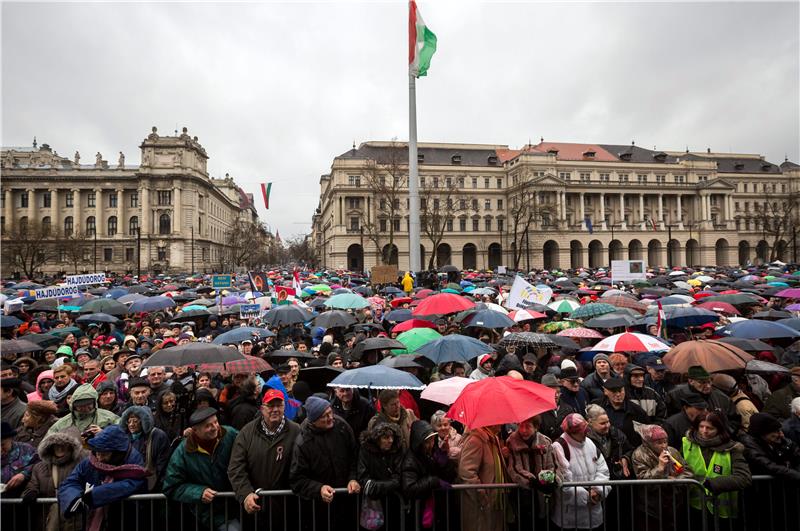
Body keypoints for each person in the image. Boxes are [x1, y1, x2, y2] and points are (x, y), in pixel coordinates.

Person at [228, 388, 301, 524]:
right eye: (270, 406)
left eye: (279, 405)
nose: (275, 409)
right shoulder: (247, 432)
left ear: (284, 407)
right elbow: (236, 468)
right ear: (262, 408)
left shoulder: (296, 431)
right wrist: (246, 494)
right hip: (256, 507)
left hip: (288, 507)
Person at [162, 407, 240, 531]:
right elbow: (171, 486)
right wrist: (198, 492)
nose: (214, 427)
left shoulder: (230, 434)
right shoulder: (183, 452)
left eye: (215, 422)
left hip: (237, 505)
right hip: (205, 513)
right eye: (208, 426)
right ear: (195, 430)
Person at [290, 396, 360, 531]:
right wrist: (319, 488)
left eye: (330, 413)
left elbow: (355, 457)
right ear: (314, 421)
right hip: (318, 509)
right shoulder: (303, 443)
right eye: (324, 416)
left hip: (347, 502)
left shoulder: (342, 427)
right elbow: (297, 479)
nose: (330, 418)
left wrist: (353, 478)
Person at [57, 425, 148, 528]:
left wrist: (91, 497)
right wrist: (74, 499)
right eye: (97, 453)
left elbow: (129, 484)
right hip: (94, 520)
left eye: (104, 454)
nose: (99, 458)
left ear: (117, 453)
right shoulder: (90, 461)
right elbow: (71, 481)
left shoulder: (134, 464)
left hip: (125, 521)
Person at [681, 411, 751, 523]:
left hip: (721, 512)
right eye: (701, 426)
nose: (704, 431)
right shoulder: (686, 443)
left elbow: (744, 477)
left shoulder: (732, 449)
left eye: (710, 428)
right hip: (692, 507)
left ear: (719, 429)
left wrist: (714, 484)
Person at [551, 413, 611, 530]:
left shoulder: (589, 443)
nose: (587, 432)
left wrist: (598, 491)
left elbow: (603, 470)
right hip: (570, 520)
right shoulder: (558, 447)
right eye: (583, 430)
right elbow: (563, 482)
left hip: (594, 517)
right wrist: (587, 497)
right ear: (571, 432)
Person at [631, 424, 693, 530]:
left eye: (665, 441)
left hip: (673, 502)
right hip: (650, 506)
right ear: (648, 443)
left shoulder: (672, 451)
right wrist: (659, 468)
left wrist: (677, 480)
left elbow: (688, 472)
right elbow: (643, 480)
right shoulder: (639, 455)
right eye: (659, 443)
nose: (664, 446)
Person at [21, 431, 87, 531]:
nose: (59, 448)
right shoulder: (40, 467)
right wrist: (30, 493)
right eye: (56, 446)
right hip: (49, 517)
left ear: (70, 447)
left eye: (63, 445)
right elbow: (32, 485)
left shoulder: (81, 463)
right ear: (50, 447)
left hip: (76, 518)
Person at [401, 420, 458, 529]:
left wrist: (444, 460)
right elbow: (409, 488)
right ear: (419, 442)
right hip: (419, 511)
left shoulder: (431, 453)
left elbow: (449, 476)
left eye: (432, 440)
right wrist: (434, 481)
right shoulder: (410, 460)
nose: (431, 444)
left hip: (436, 509)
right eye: (427, 441)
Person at [505, 415, 555, 528]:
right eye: (521, 426)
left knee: (542, 522)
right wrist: (531, 480)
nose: (523, 430)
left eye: (528, 427)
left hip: (543, 493)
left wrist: (548, 479)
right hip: (523, 494)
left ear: (536, 427)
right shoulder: (512, 442)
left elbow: (551, 464)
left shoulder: (545, 441)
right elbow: (514, 468)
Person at [459, 423, 510, 531]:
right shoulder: (475, 440)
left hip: (494, 502)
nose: (502, 423)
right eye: (499, 420)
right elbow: (467, 472)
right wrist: (481, 493)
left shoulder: (493, 439)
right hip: (480, 505)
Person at [668, 365, 741, 435]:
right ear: (691, 381)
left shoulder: (722, 398)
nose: (708, 386)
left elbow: (734, 421)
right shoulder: (675, 395)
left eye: (709, 381)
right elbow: (670, 419)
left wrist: (723, 434)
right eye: (702, 382)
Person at [357, 422, 404, 528]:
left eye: (392, 437)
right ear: (377, 439)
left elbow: (399, 477)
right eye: (386, 437)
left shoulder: (396, 450)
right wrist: (388, 485)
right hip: (373, 504)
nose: (390, 441)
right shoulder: (365, 450)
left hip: (393, 503)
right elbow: (364, 479)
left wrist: (376, 486)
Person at [118, 406, 170, 491]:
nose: (131, 424)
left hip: (153, 486)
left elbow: (162, 466)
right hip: (130, 484)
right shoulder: (125, 437)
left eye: (135, 421)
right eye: (129, 421)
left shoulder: (158, 436)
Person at [739, 412, 800, 481]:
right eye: (776, 431)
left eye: (780, 430)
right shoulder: (749, 445)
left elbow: (796, 453)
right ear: (762, 434)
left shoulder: (780, 440)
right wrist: (796, 475)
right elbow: (768, 466)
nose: (781, 434)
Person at [591, 377, 649, 446]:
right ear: (605, 391)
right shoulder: (596, 407)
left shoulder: (637, 411)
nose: (618, 394)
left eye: (620, 391)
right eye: (614, 391)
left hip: (629, 451)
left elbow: (646, 435)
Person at [47, 383, 120, 437]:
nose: (85, 408)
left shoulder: (108, 416)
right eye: (81, 406)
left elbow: (122, 432)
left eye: (88, 404)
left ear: (94, 403)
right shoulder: (63, 423)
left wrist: (104, 432)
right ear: (74, 406)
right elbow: (49, 440)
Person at [585, 403, 633, 479]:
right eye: (602, 423)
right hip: (597, 482)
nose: (607, 426)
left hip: (617, 481)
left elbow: (630, 449)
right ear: (590, 423)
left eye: (608, 422)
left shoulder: (616, 433)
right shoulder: (584, 440)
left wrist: (625, 458)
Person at [1, 421, 38, 497]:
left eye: (3, 444)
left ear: (10, 438)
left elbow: (39, 465)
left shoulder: (26, 450)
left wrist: (24, 474)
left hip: (21, 501)